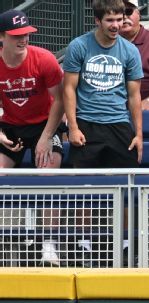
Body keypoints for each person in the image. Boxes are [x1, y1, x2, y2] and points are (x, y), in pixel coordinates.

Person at [0, 8, 66, 265]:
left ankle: (49, 244)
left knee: (48, 174)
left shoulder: (44, 59)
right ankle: (7, 238)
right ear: (2, 37)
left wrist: (47, 136)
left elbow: (60, 100)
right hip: (11, 126)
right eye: (16, 35)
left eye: (26, 33)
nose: (23, 39)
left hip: (44, 123)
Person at [63, 0, 143, 169]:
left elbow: (134, 95)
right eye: (110, 20)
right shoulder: (78, 46)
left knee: (126, 183)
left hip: (119, 122)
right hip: (86, 122)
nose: (116, 25)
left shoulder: (131, 51)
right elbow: (69, 89)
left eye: (119, 19)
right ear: (97, 21)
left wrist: (139, 134)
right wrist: (73, 128)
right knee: (84, 186)